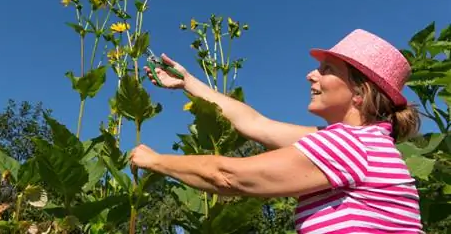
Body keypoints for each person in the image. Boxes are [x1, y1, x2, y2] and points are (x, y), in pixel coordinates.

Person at [130, 29, 424, 233]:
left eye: (327, 70)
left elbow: (227, 176)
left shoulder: (349, 145)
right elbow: (256, 124)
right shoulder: (364, 142)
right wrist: (188, 82)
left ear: (359, 93)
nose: (311, 74)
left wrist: (155, 161)